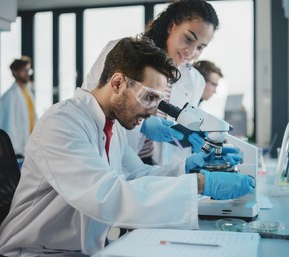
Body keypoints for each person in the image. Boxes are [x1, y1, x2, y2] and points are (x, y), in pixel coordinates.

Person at [0, 36, 255, 257]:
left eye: (159, 101)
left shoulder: (113, 126)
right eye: (149, 97)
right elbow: (106, 195)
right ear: (117, 82)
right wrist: (200, 184)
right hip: (31, 256)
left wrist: (186, 168)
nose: (153, 111)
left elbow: (134, 177)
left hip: (78, 253)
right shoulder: (63, 122)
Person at [83, 0, 219, 166]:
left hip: (156, 166)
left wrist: (191, 145)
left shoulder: (195, 80)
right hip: (113, 156)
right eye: (188, 39)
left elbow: (180, 141)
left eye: (200, 47)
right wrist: (144, 126)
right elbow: (92, 106)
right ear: (171, 26)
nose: (191, 52)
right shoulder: (122, 52)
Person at [0, 56, 37, 157]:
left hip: (31, 144)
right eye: (24, 70)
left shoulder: (28, 92)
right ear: (15, 72)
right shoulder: (10, 96)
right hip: (18, 149)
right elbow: (8, 124)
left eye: (28, 70)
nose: (27, 73)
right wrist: (14, 150)